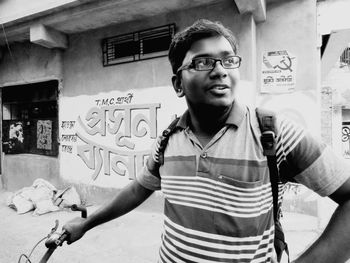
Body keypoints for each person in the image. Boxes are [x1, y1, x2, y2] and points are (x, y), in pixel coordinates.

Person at [63, 19, 350, 262]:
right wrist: (87, 224)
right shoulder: (168, 139)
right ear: (178, 84)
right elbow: (139, 188)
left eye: (228, 59)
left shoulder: (273, 133)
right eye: (203, 61)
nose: (220, 69)